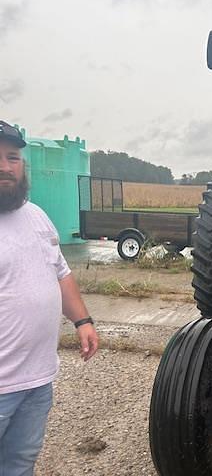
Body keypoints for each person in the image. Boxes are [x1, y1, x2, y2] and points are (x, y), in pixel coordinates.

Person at [0, 120, 99, 475]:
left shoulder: (37, 216)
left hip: (37, 380)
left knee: (20, 463)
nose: (4, 166)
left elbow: (60, 273)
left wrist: (83, 321)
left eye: (12, 157)